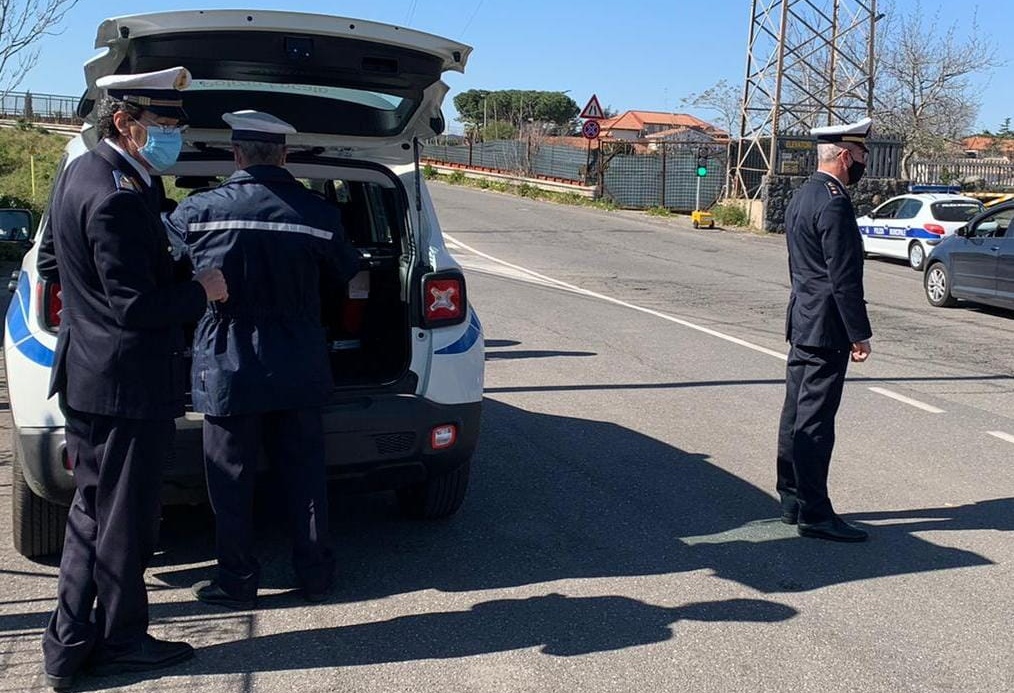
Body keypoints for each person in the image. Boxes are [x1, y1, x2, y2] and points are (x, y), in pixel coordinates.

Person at [39, 67, 229, 690]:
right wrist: (200, 289)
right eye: (166, 123)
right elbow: (136, 307)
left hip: (94, 374)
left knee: (94, 515)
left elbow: (57, 264)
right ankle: (120, 642)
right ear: (125, 122)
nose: (175, 133)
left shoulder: (84, 172)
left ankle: (70, 647)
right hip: (124, 383)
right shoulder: (118, 194)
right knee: (120, 520)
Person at [164, 110, 361, 610]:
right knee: (305, 472)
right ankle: (316, 574)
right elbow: (351, 276)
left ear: (236, 155)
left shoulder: (198, 211)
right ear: (284, 155)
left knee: (229, 479)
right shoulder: (317, 214)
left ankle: (237, 579)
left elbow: (158, 269)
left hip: (227, 361)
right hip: (297, 357)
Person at [776, 116, 874, 543]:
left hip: (803, 319)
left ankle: (793, 498)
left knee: (795, 412)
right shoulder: (834, 201)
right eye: (862, 155)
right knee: (815, 422)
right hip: (826, 326)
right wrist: (859, 332)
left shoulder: (804, 194)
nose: (863, 164)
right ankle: (815, 513)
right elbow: (843, 276)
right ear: (845, 155)